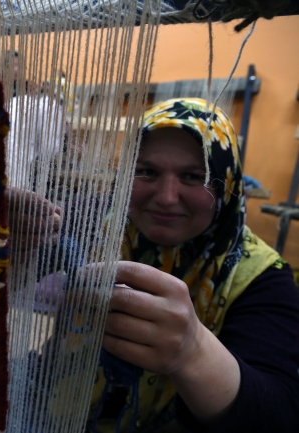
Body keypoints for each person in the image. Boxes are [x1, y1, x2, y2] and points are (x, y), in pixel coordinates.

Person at [92, 98, 299, 432]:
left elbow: (281, 415)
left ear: (227, 185)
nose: (166, 196)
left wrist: (192, 353)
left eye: (193, 176)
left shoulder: (263, 279)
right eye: (147, 171)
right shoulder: (97, 230)